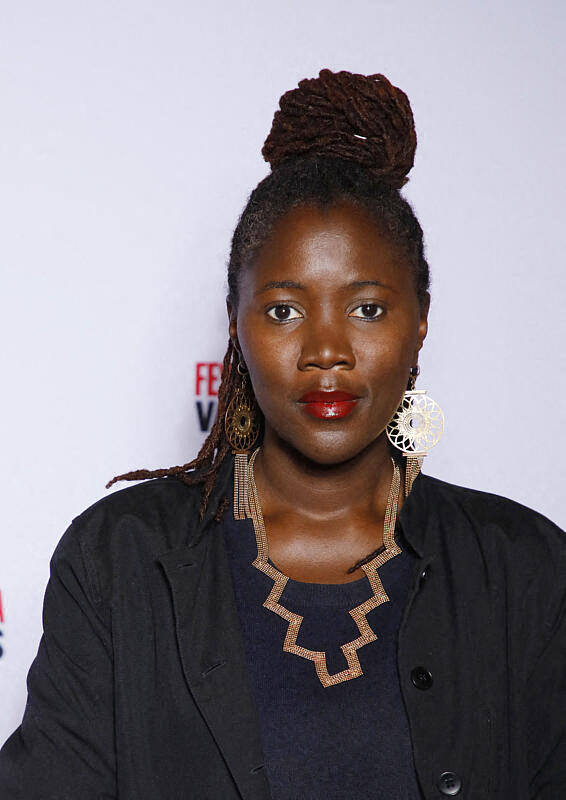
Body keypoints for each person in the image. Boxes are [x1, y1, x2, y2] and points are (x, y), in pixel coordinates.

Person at [1, 69, 565, 800]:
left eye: (367, 309)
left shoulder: (526, 569)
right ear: (235, 324)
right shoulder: (117, 561)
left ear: (421, 320)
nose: (326, 351)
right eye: (283, 311)